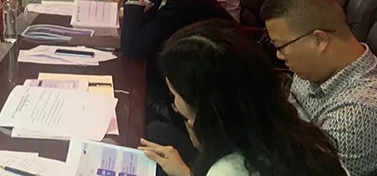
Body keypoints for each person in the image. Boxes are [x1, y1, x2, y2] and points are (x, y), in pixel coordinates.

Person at [139, 21, 346, 176]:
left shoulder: (229, 169)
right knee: (158, 131)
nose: (175, 105)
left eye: (175, 95)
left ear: (206, 106)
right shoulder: (303, 137)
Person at [261, 0, 377, 176]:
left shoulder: (354, 117)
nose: (279, 55)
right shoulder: (317, 67)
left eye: (281, 46)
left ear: (320, 40)